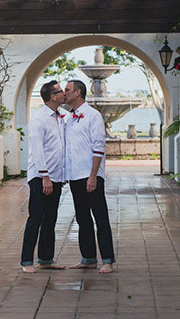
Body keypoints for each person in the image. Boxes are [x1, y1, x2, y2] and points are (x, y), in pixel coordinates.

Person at [64, 80, 116, 274]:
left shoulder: (93, 116)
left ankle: (108, 260)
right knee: (82, 218)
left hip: (91, 175)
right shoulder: (69, 118)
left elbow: (99, 147)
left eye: (67, 90)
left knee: (100, 217)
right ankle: (88, 258)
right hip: (75, 175)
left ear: (77, 92)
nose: (64, 93)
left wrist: (93, 176)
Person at [20, 80, 67, 273]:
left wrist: (60, 175)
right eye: (60, 91)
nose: (64, 93)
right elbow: (37, 151)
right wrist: (45, 177)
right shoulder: (39, 119)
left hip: (55, 176)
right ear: (53, 96)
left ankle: (46, 259)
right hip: (41, 176)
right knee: (36, 217)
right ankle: (26, 262)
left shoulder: (59, 117)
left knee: (51, 218)